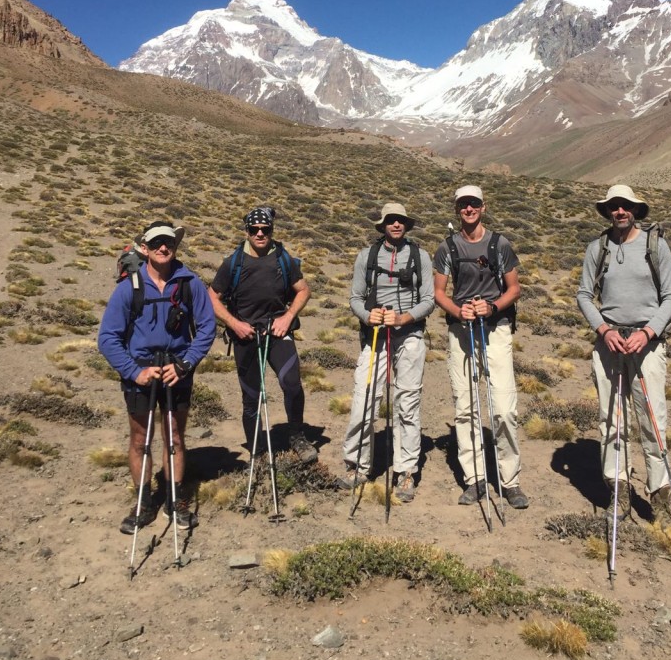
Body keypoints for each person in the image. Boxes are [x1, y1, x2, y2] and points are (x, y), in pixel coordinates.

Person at [98, 220, 216, 534]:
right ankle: (143, 500)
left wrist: (185, 364)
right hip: (140, 372)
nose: (164, 247)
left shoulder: (190, 283)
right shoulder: (129, 288)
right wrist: (134, 372)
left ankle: (175, 499)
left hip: (177, 371)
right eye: (157, 243)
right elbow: (108, 337)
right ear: (146, 249)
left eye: (169, 242)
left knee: (175, 437)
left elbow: (207, 328)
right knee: (140, 439)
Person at [577, 184, 671, 522]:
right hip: (609, 344)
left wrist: (648, 332)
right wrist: (603, 330)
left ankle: (660, 494)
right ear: (607, 211)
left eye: (625, 206)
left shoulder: (656, 245)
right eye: (614, 206)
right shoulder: (598, 248)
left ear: (635, 209)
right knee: (612, 420)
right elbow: (583, 295)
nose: (620, 211)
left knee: (652, 419)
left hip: (647, 345)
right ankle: (618, 489)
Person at [433, 186, 528, 509]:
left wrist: (492, 307)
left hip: (495, 329)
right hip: (461, 331)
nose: (469, 209)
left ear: (483, 207)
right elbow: (439, 292)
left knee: (503, 407)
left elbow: (514, 289)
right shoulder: (447, 247)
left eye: (473, 204)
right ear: (457, 210)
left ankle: (509, 480)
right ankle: (474, 479)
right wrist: (458, 311)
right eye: (463, 205)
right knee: (466, 406)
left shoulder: (499, 244)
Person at [339, 203, 435, 501]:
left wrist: (405, 318)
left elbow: (429, 300)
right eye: (390, 221)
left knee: (407, 402)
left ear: (406, 225)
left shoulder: (421, 257)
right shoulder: (366, 257)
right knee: (364, 398)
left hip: (410, 335)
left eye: (400, 221)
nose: (396, 225)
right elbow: (355, 297)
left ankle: (406, 472)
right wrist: (369, 316)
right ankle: (356, 464)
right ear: (382, 226)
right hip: (376, 334)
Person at [208, 206, 317, 464]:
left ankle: (296, 436)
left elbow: (303, 290)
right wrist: (235, 324)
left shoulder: (283, 258)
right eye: (254, 229)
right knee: (251, 396)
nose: (260, 234)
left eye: (265, 229)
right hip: (245, 335)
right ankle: (257, 453)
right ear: (246, 231)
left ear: (271, 230)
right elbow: (212, 297)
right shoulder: (232, 263)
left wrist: (287, 317)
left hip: (277, 332)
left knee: (292, 384)